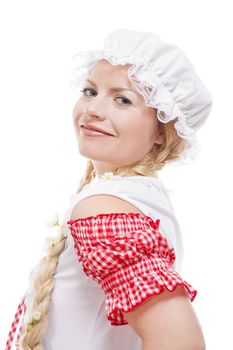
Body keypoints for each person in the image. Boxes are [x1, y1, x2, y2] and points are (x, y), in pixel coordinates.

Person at [5, 28, 212, 350]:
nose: (93, 110)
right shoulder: (140, 198)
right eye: (90, 91)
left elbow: (178, 341)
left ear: (162, 131)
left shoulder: (105, 207)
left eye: (123, 99)